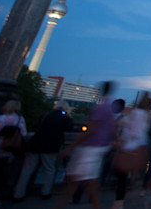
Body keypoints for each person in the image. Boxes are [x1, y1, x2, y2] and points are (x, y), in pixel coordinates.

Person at [57, 81, 116, 209]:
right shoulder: (109, 108)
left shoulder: (101, 107)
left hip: (91, 148)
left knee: (78, 183)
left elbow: (90, 130)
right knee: (88, 183)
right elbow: (113, 128)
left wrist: (70, 147)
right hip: (99, 148)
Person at [13, 100, 72, 201]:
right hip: (50, 147)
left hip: (35, 144)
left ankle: (18, 194)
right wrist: (69, 117)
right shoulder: (64, 118)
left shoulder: (45, 115)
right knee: (49, 170)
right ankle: (45, 193)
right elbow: (69, 128)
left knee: (27, 170)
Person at [112, 94, 151, 208]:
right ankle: (130, 191)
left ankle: (119, 201)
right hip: (138, 149)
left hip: (127, 148)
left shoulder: (135, 113)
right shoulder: (147, 116)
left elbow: (123, 125)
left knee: (120, 173)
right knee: (128, 172)